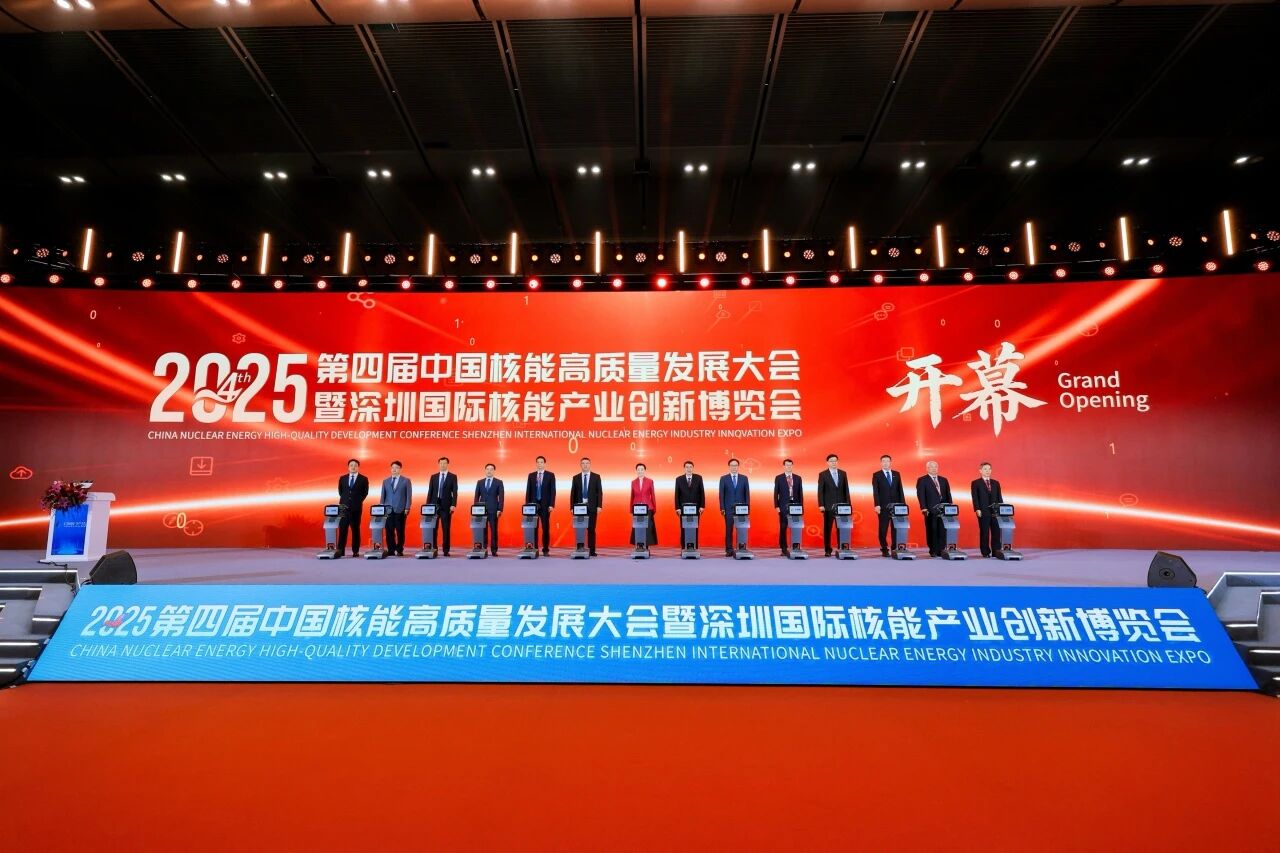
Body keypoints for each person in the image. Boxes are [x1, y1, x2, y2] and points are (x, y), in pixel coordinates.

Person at [915, 460, 952, 558]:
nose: (934, 468)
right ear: (927, 468)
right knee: (932, 529)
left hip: (943, 510)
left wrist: (950, 506)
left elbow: (948, 494)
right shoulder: (922, 480)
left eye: (935, 467)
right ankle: (933, 550)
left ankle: (941, 549)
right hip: (930, 510)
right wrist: (923, 508)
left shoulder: (944, 480)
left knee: (943, 530)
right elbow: (921, 495)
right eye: (931, 467)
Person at [872, 454, 906, 557]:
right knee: (883, 529)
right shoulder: (876, 475)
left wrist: (903, 505)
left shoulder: (896, 474)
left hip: (896, 507)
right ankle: (884, 548)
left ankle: (894, 548)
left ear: (890, 462)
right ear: (881, 463)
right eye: (883, 461)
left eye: (887, 461)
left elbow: (900, 490)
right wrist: (877, 505)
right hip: (883, 507)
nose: (885, 463)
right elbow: (875, 491)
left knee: (896, 528)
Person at [817, 453, 850, 557]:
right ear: (827, 462)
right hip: (828, 506)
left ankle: (842, 548)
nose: (833, 463)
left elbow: (846, 490)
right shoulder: (823, 474)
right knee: (828, 529)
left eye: (835, 461)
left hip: (842, 507)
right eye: (831, 461)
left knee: (842, 528)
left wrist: (848, 505)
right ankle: (828, 549)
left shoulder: (843, 473)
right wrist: (821, 504)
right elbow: (820, 491)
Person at [970, 461, 1005, 558]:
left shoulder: (996, 483)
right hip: (983, 511)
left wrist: (1001, 509)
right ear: (980, 471)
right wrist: (977, 509)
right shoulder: (976, 483)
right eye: (985, 469)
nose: (987, 471)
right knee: (984, 532)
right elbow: (975, 497)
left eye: (989, 469)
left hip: (995, 512)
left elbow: (999, 497)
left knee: (996, 532)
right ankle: (985, 552)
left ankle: (996, 551)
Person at [336, 458, 369, 558]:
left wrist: (357, 501)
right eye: (351, 465)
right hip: (343, 508)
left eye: (355, 465)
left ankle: (355, 551)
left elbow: (365, 493)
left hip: (356, 508)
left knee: (355, 530)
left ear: (358, 467)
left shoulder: (363, 479)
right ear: (348, 467)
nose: (353, 467)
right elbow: (341, 492)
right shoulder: (343, 478)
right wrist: (346, 500)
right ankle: (340, 551)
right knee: (342, 529)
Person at [570, 457, 602, 557]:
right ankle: (580, 547)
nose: (585, 465)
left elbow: (599, 492)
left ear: (590, 464)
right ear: (580, 465)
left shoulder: (596, 477)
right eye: (583, 463)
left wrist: (599, 506)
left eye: (587, 463)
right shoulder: (576, 478)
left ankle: (592, 550)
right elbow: (573, 493)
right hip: (579, 507)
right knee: (580, 528)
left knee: (591, 529)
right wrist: (572, 507)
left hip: (592, 506)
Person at [524, 456, 556, 555]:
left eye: (541, 462)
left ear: (544, 464)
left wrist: (551, 504)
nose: (539, 464)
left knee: (545, 528)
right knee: (533, 527)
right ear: (536, 464)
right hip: (533, 506)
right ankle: (535, 548)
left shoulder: (550, 475)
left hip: (546, 505)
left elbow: (553, 491)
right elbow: (528, 491)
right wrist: (527, 505)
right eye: (538, 462)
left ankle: (545, 549)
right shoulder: (531, 475)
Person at [379, 460, 412, 557]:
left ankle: (399, 549)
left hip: (400, 509)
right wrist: (381, 508)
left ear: (400, 469)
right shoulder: (385, 481)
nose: (394, 469)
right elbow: (382, 496)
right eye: (393, 468)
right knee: (389, 531)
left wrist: (407, 507)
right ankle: (391, 549)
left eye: (396, 468)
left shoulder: (406, 481)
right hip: (388, 510)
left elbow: (409, 496)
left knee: (400, 530)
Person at [426, 456, 458, 556]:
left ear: (447, 464)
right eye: (441, 463)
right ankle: (434, 548)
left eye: (444, 463)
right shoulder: (433, 477)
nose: (442, 465)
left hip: (446, 506)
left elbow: (455, 492)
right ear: (438, 464)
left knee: (446, 528)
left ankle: (446, 550)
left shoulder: (453, 476)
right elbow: (430, 492)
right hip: (434, 506)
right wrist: (427, 506)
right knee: (433, 528)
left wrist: (453, 504)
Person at [718, 458, 750, 557]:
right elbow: (721, 494)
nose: (734, 467)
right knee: (729, 530)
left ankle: (741, 547)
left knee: (741, 529)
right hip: (728, 509)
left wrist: (747, 508)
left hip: (741, 509)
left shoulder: (744, 478)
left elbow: (747, 494)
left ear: (738, 466)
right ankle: (729, 549)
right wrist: (722, 508)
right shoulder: (724, 478)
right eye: (732, 465)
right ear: (729, 467)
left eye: (735, 465)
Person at [773, 458, 803, 557]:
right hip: (783, 506)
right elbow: (776, 493)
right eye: (787, 465)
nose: (789, 467)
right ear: (784, 466)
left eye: (790, 465)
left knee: (796, 526)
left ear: (792, 466)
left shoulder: (798, 478)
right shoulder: (779, 478)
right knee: (783, 527)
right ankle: (784, 548)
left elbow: (800, 493)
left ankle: (795, 546)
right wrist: (777, 506)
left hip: (795, 506)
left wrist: (801, 507)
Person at [473, 463, 504, 556]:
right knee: (482, 530)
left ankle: (494, 550)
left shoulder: (498, 482)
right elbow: (476, 496)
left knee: (494, 530)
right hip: (481, 510)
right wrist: (475, 509)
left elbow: (501, 497)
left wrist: (500, 509)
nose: (489, 471)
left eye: (491, 469)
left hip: (493, 510)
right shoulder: (480, 482)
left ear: (494, 471)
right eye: (487, 469)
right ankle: (483, 548)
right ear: (485, 470)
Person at [674, 460, 705, 548]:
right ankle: (684, 547)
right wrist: (677, 507)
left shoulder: (698, 478)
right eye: (687, 467)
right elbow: (676, 494)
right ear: (684, 468)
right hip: (683, 508)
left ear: (693, 468)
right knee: (684, 527)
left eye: (690, 467)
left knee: (695, 527)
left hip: (696, 508)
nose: (689, 469)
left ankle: (694, 546)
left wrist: (702, 506)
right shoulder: (679, 479)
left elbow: (702, 492)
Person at [629, 463, 658, 547]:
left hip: (648, 508)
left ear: (645, 471)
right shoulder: (633, 482)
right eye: (638, 469)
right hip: (637, 508)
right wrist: (631, 509)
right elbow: (632, 496)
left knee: (647, 528)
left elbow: (653, 495)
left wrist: (654, 508)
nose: (640, 471)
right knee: (638, 527)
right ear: (636, 471)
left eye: (642, 469)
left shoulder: (650, 481)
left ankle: (646, 546)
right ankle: (638, 545)